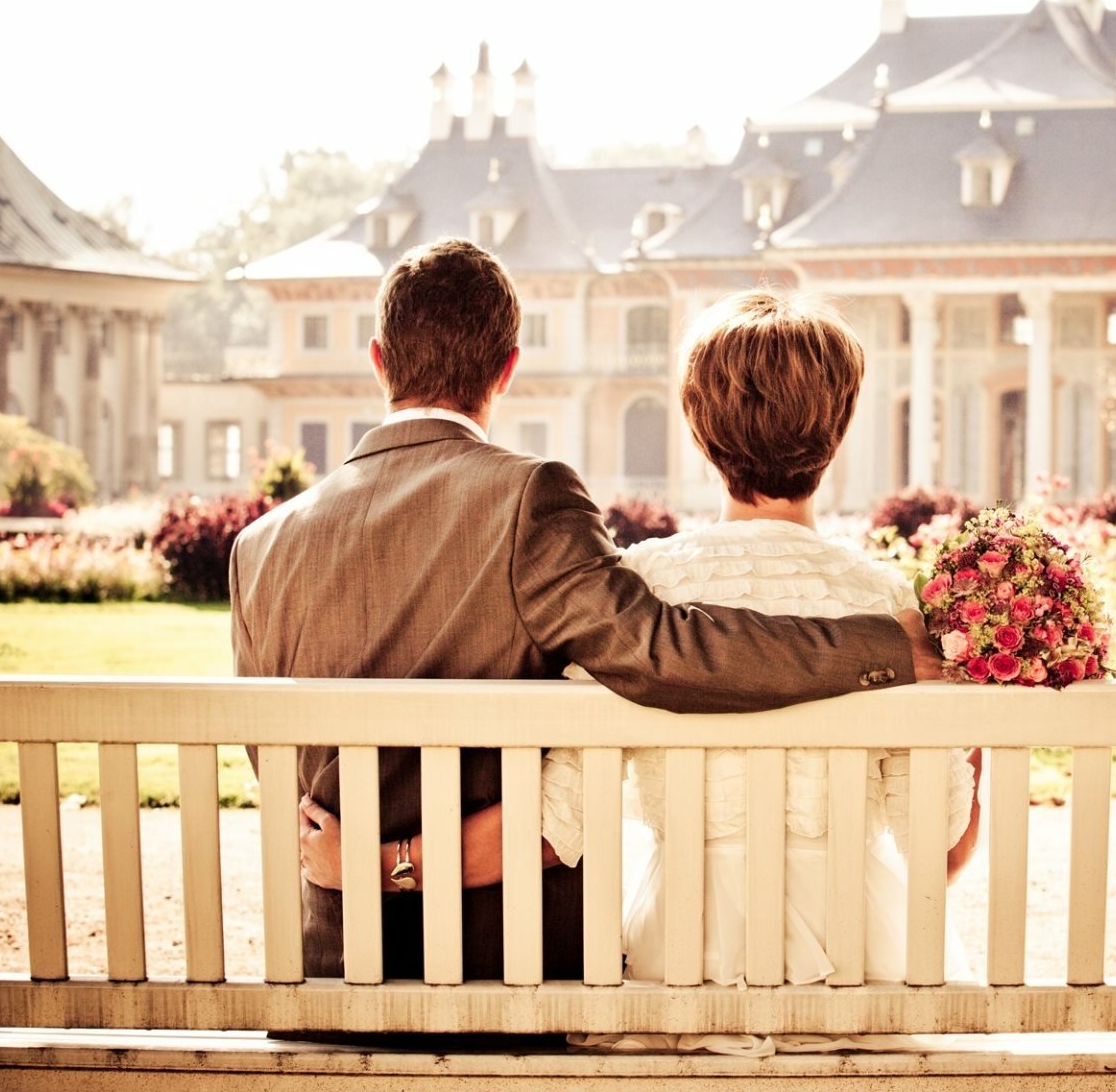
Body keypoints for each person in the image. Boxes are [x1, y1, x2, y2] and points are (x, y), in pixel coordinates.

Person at [230, 238, 941, 987]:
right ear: (508, 367)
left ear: (378, 361)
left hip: (329, 969)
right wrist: (882, 647)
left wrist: (369, 864)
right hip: (507, 970)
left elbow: (276, 772)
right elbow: (660, 652)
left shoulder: (258, 546)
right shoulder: (528, 497)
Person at [539, 292, 980, 1055]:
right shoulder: (883, 602)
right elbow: (936, 848)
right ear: (836, 431)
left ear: (699, 428)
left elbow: (557, 827)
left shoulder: (640, 592)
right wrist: (976, 733)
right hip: (855, 962)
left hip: (678, 961)